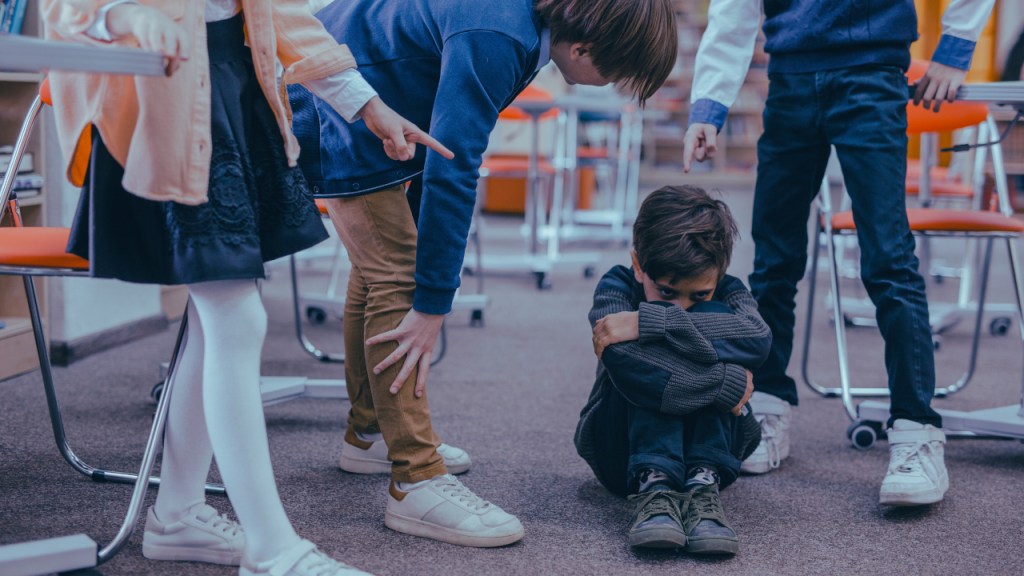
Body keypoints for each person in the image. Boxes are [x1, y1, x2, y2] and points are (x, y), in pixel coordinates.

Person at [43, 0, 448, 572]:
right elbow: (67, 8)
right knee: (235, 317)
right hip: (165, 94)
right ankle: (271, 549)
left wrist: (371, 108)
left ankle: (178, 513)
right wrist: (125, 17)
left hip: (232, 86)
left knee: (221, 322)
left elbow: (283, 15)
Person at [288, 0, 678, 547]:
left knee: (381, 268)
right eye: (613, 73)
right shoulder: (500, 33)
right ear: (585, 47)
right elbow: (455, 163)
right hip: (331, 99)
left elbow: (441, 141)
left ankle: (370, 432)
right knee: (397, 276)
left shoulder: (523, 27)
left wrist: (429, 266)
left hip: (359, 94)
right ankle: (416, 480)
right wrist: (432, 302)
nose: (610, 84)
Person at [682, 0, 997, 505]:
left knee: (889, 260)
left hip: (871, 76)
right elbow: (734, 8)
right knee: (774, 261)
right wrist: (709, 105)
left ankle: (917, 431)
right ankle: (767, 404)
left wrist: (956, 48)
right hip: (789, 82)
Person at [575, 185, 769, 554]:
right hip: (623, 455)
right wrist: (725, 382)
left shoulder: (728, 290)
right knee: (639, 362)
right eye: (666, 293)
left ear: (720, 271)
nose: (682, 306)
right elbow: (625, 362)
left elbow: (757, 339)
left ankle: (701, 484)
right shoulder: (615, 285)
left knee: (709, 318)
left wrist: (655, 322)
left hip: (715, 455)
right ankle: (656, 484)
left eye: (698, 294)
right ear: (638, 265)